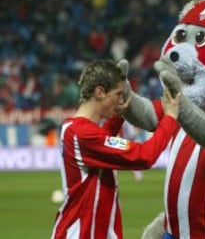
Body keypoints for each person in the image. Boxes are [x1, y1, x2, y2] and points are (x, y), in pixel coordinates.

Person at [50, 59, 180, 239]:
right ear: (100, 92)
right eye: (118, 94)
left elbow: (101, 143)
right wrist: (170, 118)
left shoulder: (73, 128)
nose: (121, 99)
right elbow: (144, 156)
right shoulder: (82, 134)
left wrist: (118, 116)